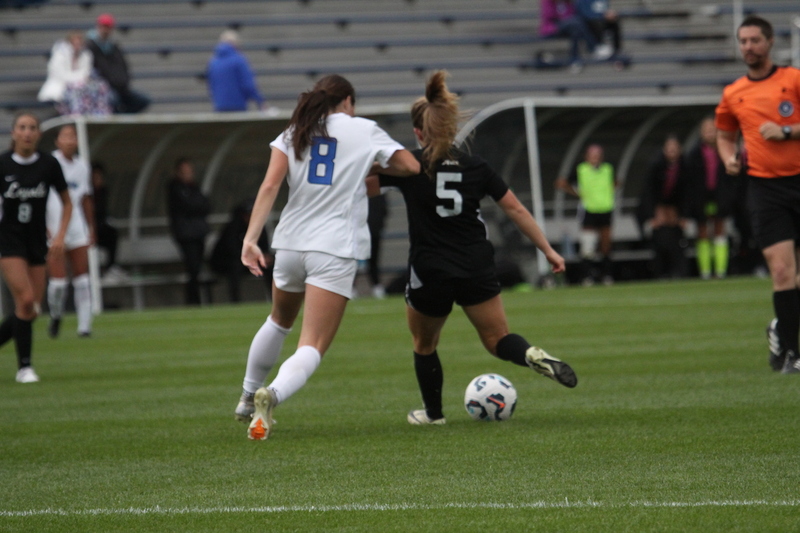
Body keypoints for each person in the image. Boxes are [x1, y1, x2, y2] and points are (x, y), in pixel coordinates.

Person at [377, 71, 576, 426]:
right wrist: (548, 250)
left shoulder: (409, 165)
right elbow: (514, 208)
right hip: (476, 264)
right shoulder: (476, 166)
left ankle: (434, 415)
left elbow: (360, 186)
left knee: (425, 344)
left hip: (431, 268)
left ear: (419, 133)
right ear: (453, 130)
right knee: (498, 338)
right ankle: (531, 353)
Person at [234, 74, 420, 440]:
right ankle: (271, 395)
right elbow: (410, 167)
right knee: (313, 344)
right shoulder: (363, 130)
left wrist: (250, 239)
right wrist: (368, 164)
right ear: (348, 101)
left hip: (289, 244)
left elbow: (270, 185)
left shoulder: (296, 129)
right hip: (332, 248)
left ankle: (245, 397)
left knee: (278, 321)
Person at [715, 15, 800, 374]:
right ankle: (794, 354)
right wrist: (728, 158)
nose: (748, 47)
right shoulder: (734, 93)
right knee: (782, 271)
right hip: (765, 189)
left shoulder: (793, 80)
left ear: (769, 43)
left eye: (754, 40)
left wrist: (788, 131)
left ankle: (782, 327)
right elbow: (724, 134)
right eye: (743, 41)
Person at [0, 113, 72, 383]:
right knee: (26, 300)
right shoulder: (3, 163)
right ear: (14, 132)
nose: (27, 132)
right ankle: (24, 368)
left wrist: (60, 236)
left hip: (36, 241)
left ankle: (24, 365)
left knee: (30, 310)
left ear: (39, 134)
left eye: (32, 128)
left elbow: (67, 202)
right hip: (9, 241)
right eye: (22, 127)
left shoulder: (48, 164)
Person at [45, 124, 95, 338]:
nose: (70, 140)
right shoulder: (48, 164)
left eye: (73, 136)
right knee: (58, 283)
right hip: (53, 228)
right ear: (57, 141)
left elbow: (84, 198)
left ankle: (84, 327)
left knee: (82, 279)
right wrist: (46, 228)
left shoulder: (82, 166)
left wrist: (91, 228)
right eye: (65, 136)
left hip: (76, 227)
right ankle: (56, 315)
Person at [555, 143, 617, 285]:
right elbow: (561, 183)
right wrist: (577, 194)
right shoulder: (581, 169)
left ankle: (606, 275)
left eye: (597, 155)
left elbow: (615, 183)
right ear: (586, 157)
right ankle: (587, 277)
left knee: (606, 245)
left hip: (606, 209)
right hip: (589, 210)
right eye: (592, 155)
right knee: (588, 245)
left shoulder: (608, 169)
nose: (595, 158)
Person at [684, 117, 735, 280]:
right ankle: (705, 272)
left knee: (720, 230)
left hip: (720, 197)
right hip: (701, 198)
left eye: (712, 130)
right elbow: (690, 181)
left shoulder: (724, 150)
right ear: (701, 133)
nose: (710, 133)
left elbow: (731, 177)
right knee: (703, 233)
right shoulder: (694, 154)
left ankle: (720, 272)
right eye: (707, 130)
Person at [639, 135, 688, 279]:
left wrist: (682, 215)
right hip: (655, 209)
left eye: (675, 148)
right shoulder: (655, 166)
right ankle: (660, 273)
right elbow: (647, 193)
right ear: (664, 150)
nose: (672, 151)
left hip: (675, 209)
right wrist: (652, 215)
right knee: (660, 240)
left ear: (680, 150)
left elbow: (687, 193)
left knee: (676, 242)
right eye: (669, 148)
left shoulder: (685, 166)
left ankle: (679, 273)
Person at [167, 157, 211, 306]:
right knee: (192, 267)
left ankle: (196, 299)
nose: (188, 175)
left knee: (197, 267)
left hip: (199, 233)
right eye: (184, 172)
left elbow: (206, 206)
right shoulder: (175, 188)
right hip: (186, 235)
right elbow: (190, 206)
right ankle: (193, 300)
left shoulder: (194, 187)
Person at [209, 199, 272, 303]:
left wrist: (265, 256)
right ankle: (235, 302)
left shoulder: (260, 227)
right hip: (230, 262)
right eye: (248, 214)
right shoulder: (232, 228)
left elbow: (264, 247)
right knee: (234, 268)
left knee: (270, 266)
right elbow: (231, 250)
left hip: (252, 262)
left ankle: (275, 298)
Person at [86, 13, 150, 114]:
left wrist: (124, 83)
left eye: (108, 27)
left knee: (143, 101)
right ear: (98, 27)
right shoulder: (90, 47)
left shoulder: (114, 47)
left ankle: (124, 122)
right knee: (113, 101)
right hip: (103, 89)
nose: (106, 30)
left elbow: (124, 67)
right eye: (104, 27)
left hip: (121, 88)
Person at [37, 30, 112, 116]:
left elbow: (86, 73)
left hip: (81, 87)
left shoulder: (86, 55)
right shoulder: (59, 55)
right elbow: (61, 76)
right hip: (61, 87)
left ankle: (97, 116)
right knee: (75, 93)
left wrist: (79, 79)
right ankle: (75, 116)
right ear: (69, 42)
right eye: (75, 42)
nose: (77, 45)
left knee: (101, 87)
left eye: (79, 42)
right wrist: (78, 79)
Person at [539, 0, 611, 72]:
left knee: (576, 31)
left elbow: (571, 14)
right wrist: (564, 18)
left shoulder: (567, 2)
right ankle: (593, 47)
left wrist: (566, 19)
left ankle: (575, 61)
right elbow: (549, 15)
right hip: (553, 27)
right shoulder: (547, 1)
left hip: (569, 26)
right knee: (577, 22)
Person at [206, 30, 267, 113]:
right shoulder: (239, 60)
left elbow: (211, 85)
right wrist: (260, 101)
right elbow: (247, 84)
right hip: (238, 106)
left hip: (219, 106)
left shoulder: (213, 62)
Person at [90, 162, 125, 280]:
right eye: (95, 177)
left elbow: (103, 212)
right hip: (88, 228)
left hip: (100, 227)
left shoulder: (104, 191)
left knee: (112, 234)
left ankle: (111, 267)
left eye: (99, 177)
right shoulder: (87, 193)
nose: (97, 180)